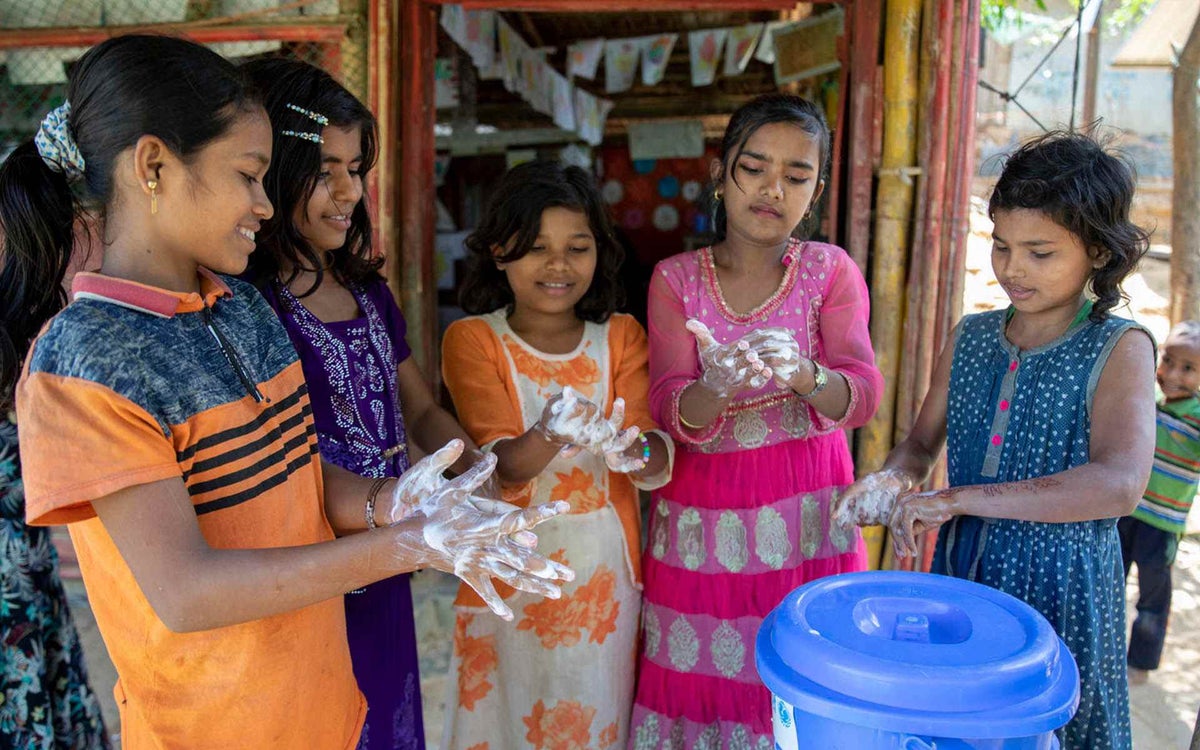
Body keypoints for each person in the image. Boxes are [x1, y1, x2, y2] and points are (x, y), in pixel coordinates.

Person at [0, 35, 571, 750]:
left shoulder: (239, 309)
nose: (266, 206)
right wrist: (407, 545)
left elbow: (295, 473)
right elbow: (186, 591)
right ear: (153, 167)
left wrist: (392, 500)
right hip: (213, 728)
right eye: (248, 175)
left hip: (324, 706)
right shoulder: (85, 358)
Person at [837, 131, 1156, 750]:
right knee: (963, 731)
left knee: (1048, 730)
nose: (1012, 268)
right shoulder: (973, 335)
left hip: (1065, 586)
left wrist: (958, 500)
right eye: (1002, 246)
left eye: (1040, 252)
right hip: (966, 573)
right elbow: (921, 444)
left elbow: (1120, 484)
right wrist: (891, 480)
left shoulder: (1120, 347)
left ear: (1096, 250)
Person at [241, 57, 498, 749]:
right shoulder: (249, 309)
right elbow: (283, 464)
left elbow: (419, 412)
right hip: (307, 573)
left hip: (388, 556)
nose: (348, 189)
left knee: (387, 716)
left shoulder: (368, 294)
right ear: (271, 172)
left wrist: (476, 475)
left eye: (356, 168)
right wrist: (401, 506)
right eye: (323, 170)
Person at [629, 93, 883, 748]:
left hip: (808, 519)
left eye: (796, 176)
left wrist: (806, 375)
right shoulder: (674, 279)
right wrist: (712, 389)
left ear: (817, 189)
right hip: (701, 523)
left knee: (799, 680)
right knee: (700, 683)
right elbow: (667, 401)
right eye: (754, 168)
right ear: (721, 175)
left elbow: (860, 395)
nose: (773, 189)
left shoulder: (830, 271)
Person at [439, 159, 673, 750]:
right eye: (537, 247)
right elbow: (502, 470)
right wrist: (553, 430)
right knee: (507, 721)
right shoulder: (473, 341)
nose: (559, 265)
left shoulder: (622, 335)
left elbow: (652, 455)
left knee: (594, 719)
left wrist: (629, 447)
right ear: (499, 252)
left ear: (600, 254)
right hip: (509, 567)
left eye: (578, 247)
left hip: (603, 577)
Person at [1120, 320, 1200, 685]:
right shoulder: (1146, 399)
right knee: (1109, 580)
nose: (1173, 375)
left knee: (1153, 596)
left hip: (1163, 526)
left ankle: (1141, 662)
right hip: (1124, 512)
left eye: (1189, 369)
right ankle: (1100, 643)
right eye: (1168, 361)